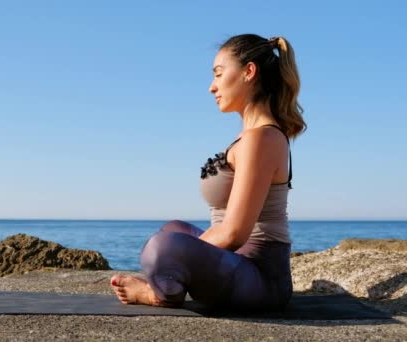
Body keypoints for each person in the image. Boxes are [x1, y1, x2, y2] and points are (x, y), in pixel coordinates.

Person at [110, 34, 307, 311]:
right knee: (173, 229)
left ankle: (160, 294)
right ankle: (166, 279)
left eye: (218, 74)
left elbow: (234, 233)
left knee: (165, 246)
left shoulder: (262, 139)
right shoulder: (251, 137)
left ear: (249, 72)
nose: (211, 87)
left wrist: (179, 255)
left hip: (261, 281)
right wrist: (181, 251)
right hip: (239, 268)